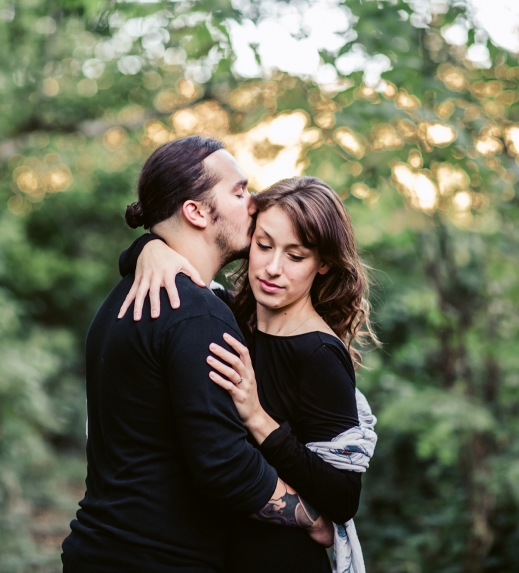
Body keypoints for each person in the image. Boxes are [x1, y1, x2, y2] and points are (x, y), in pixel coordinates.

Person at [61, 137, 334, 573]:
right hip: (157, 560)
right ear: (197, 212)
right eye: (239, 191)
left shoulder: (123, 299)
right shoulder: (195, 313)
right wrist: (313, 519)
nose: (255, 202)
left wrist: (145, 247)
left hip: (101, 551)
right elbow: (226, 468)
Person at [119, 176, 379, 573]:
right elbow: (146, 262)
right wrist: (149, 248)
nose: (273, 268)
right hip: (212, 553)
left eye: (296, 256)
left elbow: (344, 498)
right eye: (264, 245)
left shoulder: (318, 353)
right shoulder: (229, 314)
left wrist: (258, 418)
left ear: (323, 263)